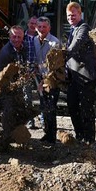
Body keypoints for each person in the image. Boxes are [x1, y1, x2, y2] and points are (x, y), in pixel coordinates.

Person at [66, 2, 96, 145]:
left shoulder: (83, 28)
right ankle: (80, 135)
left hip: (85, 76)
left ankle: (89, 139)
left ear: (80, 14)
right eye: (68, 15)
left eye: (73, 15)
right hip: (74, 76)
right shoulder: (72, 29)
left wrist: (62, 54)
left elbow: (75, 45)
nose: (71, 17)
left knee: (86, 109)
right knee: (72, 106)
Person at [33, 16, 61, 144]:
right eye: (39, 27)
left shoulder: (54, 43)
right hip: (39, 78)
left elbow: (55, 67)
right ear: (35, 28)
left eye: (44, 27)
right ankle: (46, 133)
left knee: (50, 107)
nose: (42, 29)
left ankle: (52, 136)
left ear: (49, 28)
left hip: (52, 80)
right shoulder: (34, 40)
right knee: (44, 107)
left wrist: (44, 81)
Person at [24, 15, 39, 129]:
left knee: (43, 96)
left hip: (39, 71)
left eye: (35, 24)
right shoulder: (21, 37)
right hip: (26, 71)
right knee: (27, 97)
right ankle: (30, 121)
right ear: (28, 23)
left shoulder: (40, 37)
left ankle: (44, 121)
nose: (33, 26)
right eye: (32, 23)